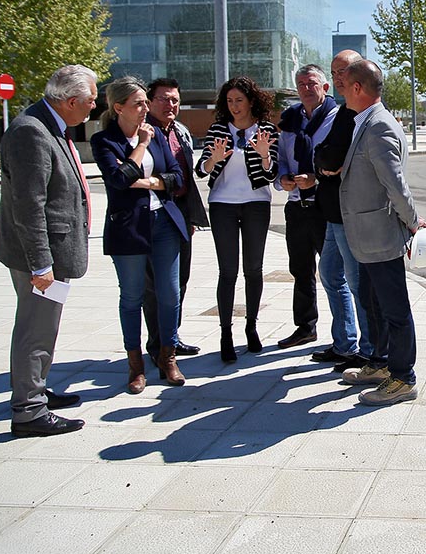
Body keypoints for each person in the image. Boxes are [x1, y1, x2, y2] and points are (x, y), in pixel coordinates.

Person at [0, 65, 97, 437]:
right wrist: (41, 263)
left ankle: (35, 390)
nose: (93, 107)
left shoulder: (49, 124)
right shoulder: (31, 132)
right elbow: (28, 205)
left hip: (50, 254)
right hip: (38, 258)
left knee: (43, 327)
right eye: (91, 100)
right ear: (71, 101)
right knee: (35, 329)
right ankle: (29, 412)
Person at [333, 59, 426, 406]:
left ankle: (403, 378)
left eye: (344, 83)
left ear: (358, 88)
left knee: (395, 309)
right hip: (367, 235)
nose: (339, 88)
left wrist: (414, 222)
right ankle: (382, 364)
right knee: (374, 303)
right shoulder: (368, 122)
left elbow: (396, 185)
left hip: (380, 235)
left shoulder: (378, 127)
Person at [91, 77, 190, 392]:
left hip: (163, 221)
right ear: (119, 107)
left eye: (147, 102)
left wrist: (148, 181)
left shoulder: (158, 135)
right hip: (128, 227)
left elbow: (176, 176)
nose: (146, 109)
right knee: (132, 297)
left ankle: (168, 357)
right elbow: (119, 180)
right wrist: (142, 146)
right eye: (139, 104)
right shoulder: (104, 141)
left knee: (170, 293)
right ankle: (135, 365)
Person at [195, 76, 278, 362]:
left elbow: (270, 174)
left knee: (253, 269)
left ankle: (251, 327)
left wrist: (265, 156)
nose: (234, 106)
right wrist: (213, 159)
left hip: (256, 205)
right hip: (223, 205)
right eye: (229, 101)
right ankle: (226, 333)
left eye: (239, 101)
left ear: (252, 101)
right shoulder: (219, 128)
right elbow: (201, 170)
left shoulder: (266, 130)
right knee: (227, 271)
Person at [310, 50, 372, 368]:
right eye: (334, 72)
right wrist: (324, 162)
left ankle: (369, 348)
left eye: (343, 71)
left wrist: (326, 161)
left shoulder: (359, 113)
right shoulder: (344, 110)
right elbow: (323, 154)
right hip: (332, 212)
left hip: (349, 213)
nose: (338, 77)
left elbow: (332, 159)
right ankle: (345, 343)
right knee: (331, 275)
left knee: (356, 280)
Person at [141, 78, 209, 363]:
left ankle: (172, 337)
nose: (171, 105)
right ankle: (157, 345)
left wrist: (191, 215)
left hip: (180, 213)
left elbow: (188, 178)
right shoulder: (142, 132)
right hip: (154, 214)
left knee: (180, 280)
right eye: (164, 99)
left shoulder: (180, 131)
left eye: (175, 100)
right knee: (154, 284)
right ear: (149, 101)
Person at [274, 64, 338, 349]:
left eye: (311, 83)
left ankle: (345, 338)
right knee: (300, 270)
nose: (305, 88)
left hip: (326, 206)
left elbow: (342, 163)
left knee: (335, 274)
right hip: (296, 207)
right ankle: (305, 327)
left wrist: (315, 179)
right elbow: (281, 161)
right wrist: (283, 179)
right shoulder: (289, 121)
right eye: (300, 84)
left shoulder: (338, 119)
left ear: (325, 87)